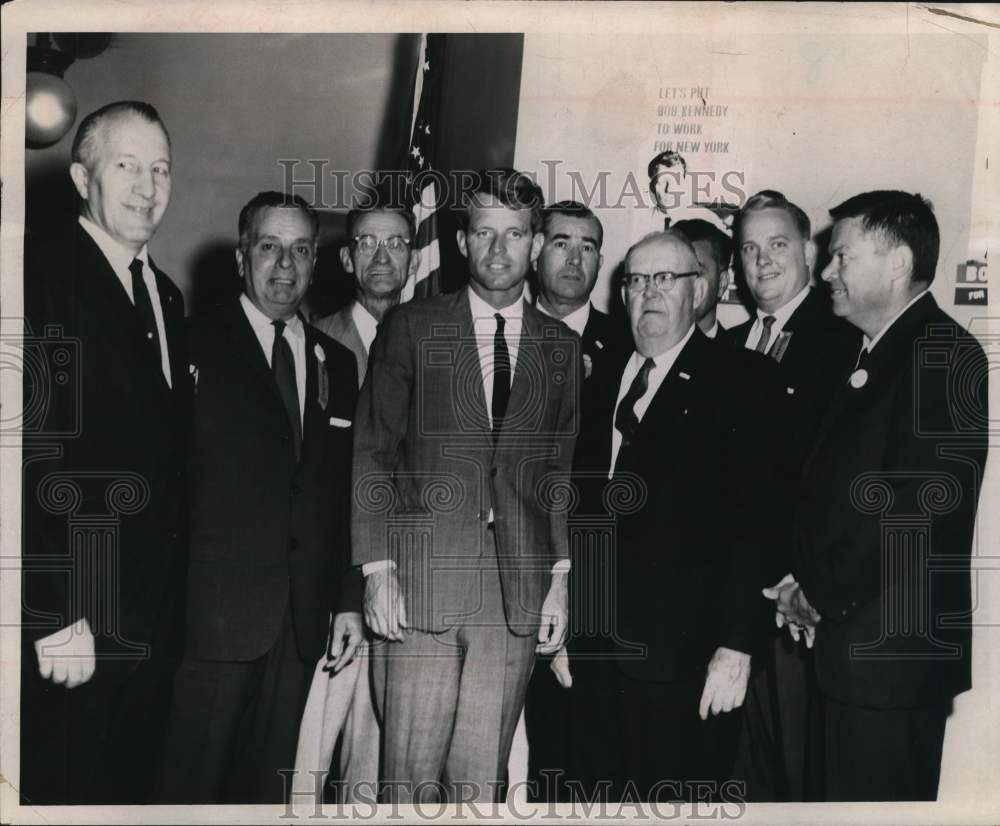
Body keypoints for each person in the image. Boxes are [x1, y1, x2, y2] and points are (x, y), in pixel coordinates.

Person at [352, 168, 579, 803]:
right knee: (408, 779)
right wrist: (377, 569)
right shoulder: (413, 327)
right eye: (484, 232)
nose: (499, 250)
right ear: (461, 241)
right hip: (421, 581)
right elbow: (373, 450)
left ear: (535, 244)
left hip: (514, 593)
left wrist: (558, 580)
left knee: (480, 784)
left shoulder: (560, 347)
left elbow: (556, 475)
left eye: (514, 234)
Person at [769, 190, 988, 801]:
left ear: (896, 263)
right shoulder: (871, 353)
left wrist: (818, 593)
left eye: (841, 256)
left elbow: (915, 512)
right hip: (852, 659)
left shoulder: (942, 354)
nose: (827, 272)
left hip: (890, 667)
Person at [559, 230, 783, 801]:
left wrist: (737, 647)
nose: (649, 293)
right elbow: (572, 507)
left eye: (666, 279)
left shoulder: (743, 381)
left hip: (683, 663)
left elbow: (756, 525)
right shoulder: (599, 376)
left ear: (699, 289)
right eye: (636, 280)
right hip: (591, 652)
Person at [155, 192, 363, 803]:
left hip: (300, 628)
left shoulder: (339, 363)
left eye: (301, 250)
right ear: (242, 255)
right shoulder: (190, 343)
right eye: (269, 247)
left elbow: (341, 490)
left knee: (263, 798)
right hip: (211, 622)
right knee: (187, 793)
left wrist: (347, 597)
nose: (285, 265)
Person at [20, 101, 189, 804]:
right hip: (75, 620)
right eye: (127, 166)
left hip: (151, 619)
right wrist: (51, 611)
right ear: (82, 174)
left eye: (161, 169)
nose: (148, 187)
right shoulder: (38, 272)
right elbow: (23, 454)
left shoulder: (167, 296)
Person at [725, 190, 857, 801]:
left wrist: (797, 581)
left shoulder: (843, 343)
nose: (763, 261)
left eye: (778, 245)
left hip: (794, 604)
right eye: (749, 248)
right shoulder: (726, 348)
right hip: (729, 604)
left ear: (808, 251)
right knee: (738, 775)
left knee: (799, 778)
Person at [314, 203, 419, 387]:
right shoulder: (313, 340)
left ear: (413, 262)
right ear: (347, 259)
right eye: (367, 244)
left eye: (395, 244)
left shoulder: (433, 343)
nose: (382, 258)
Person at [531, 200, 628, 381]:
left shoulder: (627, 345)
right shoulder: (501, 334)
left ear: (599, 264)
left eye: (587, 248)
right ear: (535, 256)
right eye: (561, 244)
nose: (575, 259)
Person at [672, 217, 734, 339]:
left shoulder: (741, 357)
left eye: (696, 273)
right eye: (672, 273)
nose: (682, 285)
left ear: (722, 283)